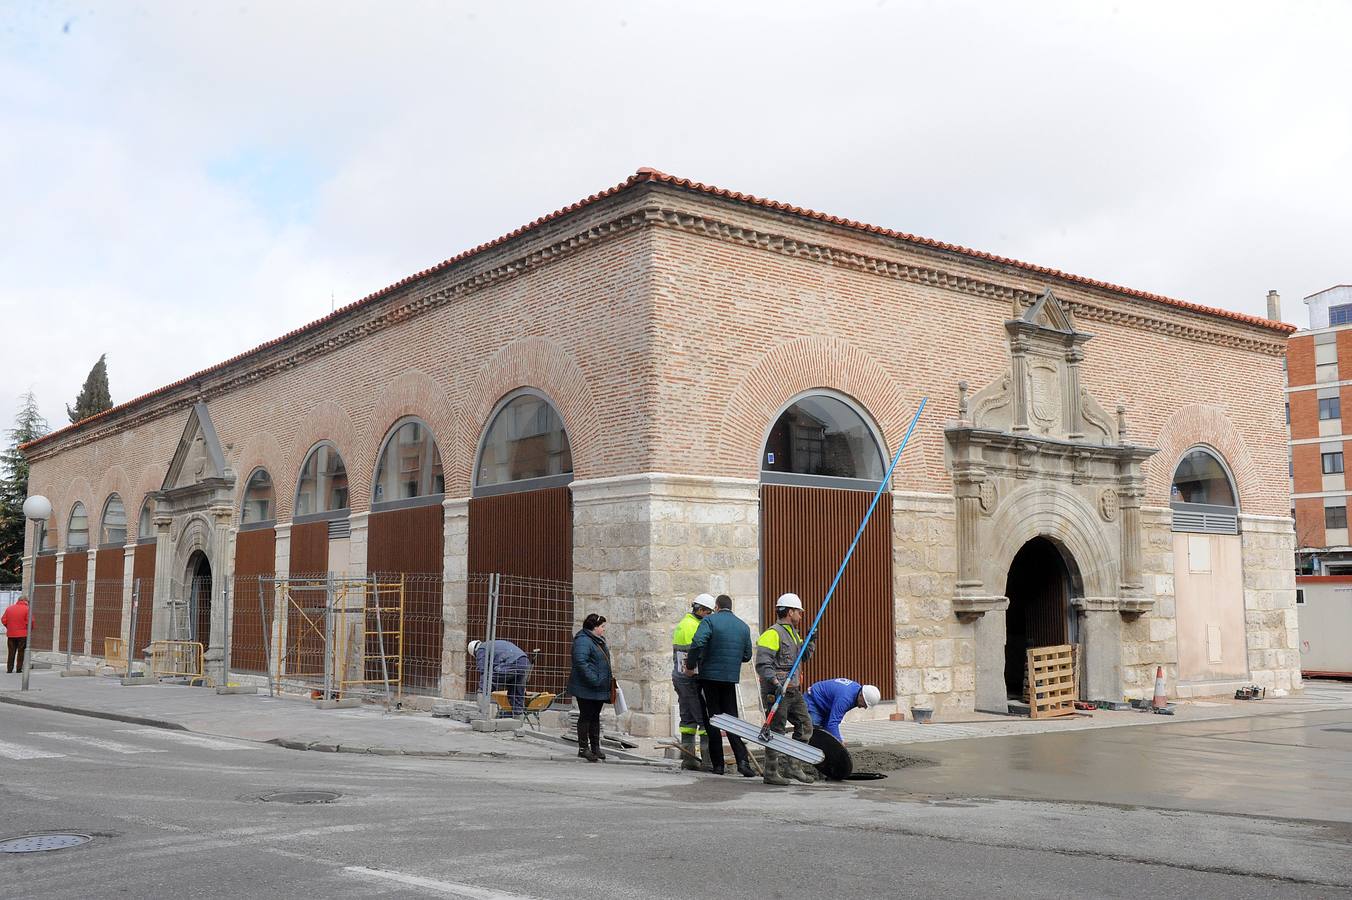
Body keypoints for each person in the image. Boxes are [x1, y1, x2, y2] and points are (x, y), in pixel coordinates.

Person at [686, 594, 755, 777]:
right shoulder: (743, 626)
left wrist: (690, 665)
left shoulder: (710, 621)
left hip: (708, 678)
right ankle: (743, 762)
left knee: (713, 720)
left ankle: (718, 765)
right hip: (730, 679)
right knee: (732, 720)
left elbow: (698, 642)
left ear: (716, 607)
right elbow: (747, 656)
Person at [756, 592, 817, 786]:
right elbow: (763, 664)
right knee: (776, 730)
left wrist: (811, 639)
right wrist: (775, 683)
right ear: (790, 612)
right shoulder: (772, 634)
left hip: (793, 690)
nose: (801, 615)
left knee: (805, 725)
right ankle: (771, 772)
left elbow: (804, 657)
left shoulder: (794, 634)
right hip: (777, 692)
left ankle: (793, 766)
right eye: (799, 611)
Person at [672, 593, 716, 770]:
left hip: (679, 678)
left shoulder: (683, 623)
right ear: (703, 610)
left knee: (687, 719)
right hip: (692, 678)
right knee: (704, 720)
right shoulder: (697, 626)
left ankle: (688, 759)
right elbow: (698, 653)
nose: (710, 616)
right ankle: (707, 761)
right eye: (709, 612)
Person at [568, 613, 613, 763]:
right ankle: (583, 748)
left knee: (595, 717)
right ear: (594, 628)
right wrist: (594, 679)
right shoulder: (583, 641)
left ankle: (595, 747)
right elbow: (580, 662)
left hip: (598, 687)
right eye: (602, 627)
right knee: (586, 716)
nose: (604, 629)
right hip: (587, 687)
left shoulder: (597, 640)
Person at [468, 639, 531, 716]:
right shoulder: (492, 645)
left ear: (474, 651)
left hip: (512, 662)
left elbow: (483, 670)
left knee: (488, 680)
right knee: (515, 691)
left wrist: (482, 688)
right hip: (524, 662)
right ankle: (517, 717)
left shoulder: (481, 649)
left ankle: (482, 712)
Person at [804, 678, 881, 741]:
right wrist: (840, 743)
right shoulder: (846, 699)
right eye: (864, 704)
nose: (863, 707)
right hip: (813, 700)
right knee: (813, 731)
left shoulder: (856, 691)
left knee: (826, 734)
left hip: (825, 705)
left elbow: (831, 723)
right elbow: (833, 723)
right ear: (861, 696)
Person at [3, 596, 30, 674]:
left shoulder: (9, 609)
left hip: (11, 634)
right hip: (22, 634)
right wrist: (27, 629)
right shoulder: (27, 609)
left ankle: (9, 669)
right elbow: (30, 622)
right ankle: (19, 669)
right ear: (25, 601)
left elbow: (3, 619)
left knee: (11, 652)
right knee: (21, 652)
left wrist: (9, 627)